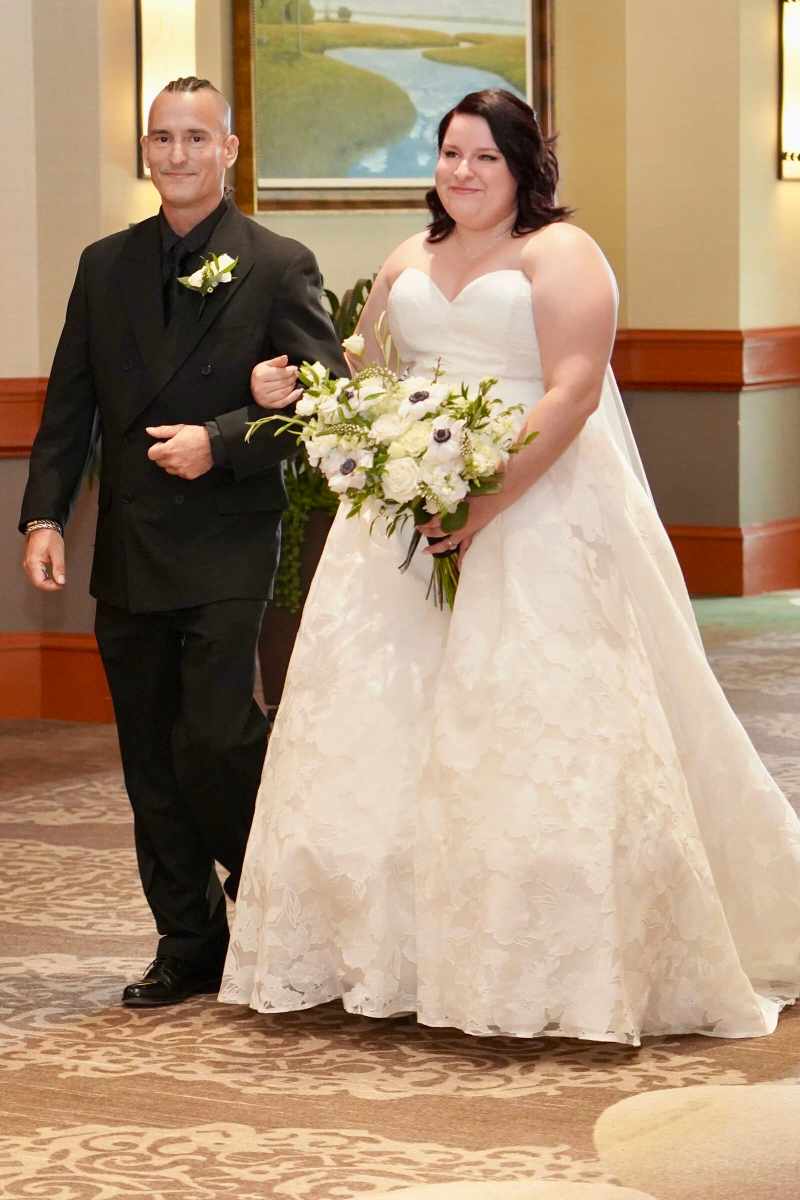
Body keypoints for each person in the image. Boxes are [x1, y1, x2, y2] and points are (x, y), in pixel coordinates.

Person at [219, 89, 800, 1044]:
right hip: (406, 519)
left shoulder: (560, 254)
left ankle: (547, 966)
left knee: (531, 717)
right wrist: (308, 398)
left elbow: (572, 390)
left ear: (525, 167)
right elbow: (371, 374)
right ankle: (395, 959)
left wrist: (486, 500)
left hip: (540, 507)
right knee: (383, 721)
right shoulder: (409, 257)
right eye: (451, 153)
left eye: (485, 156)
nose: (463, 172)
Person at [19, 76, 346, 1008]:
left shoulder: (279, 264)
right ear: (146, 152)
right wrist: (44, 518)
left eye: (197, 138)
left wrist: (225, 439)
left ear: (229, 151)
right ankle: (189, 939)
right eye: (162, 138)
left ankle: (278, 898)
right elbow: (70, 406)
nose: (177, 154)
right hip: (130, 542)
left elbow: (328, 402)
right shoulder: (103, 265)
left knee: (218, 735)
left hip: (229, 538)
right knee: (149, 753)